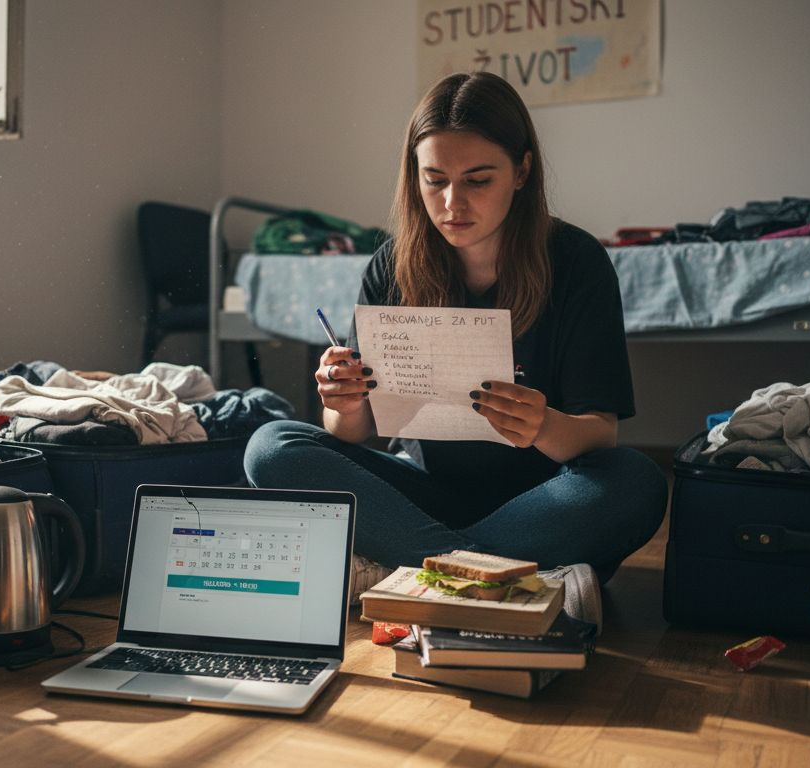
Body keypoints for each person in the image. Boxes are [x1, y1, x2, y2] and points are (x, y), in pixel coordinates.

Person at [243, 72, 667, 619]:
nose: (451, 203)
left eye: (477, 180)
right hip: (422, 496)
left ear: (522, 170)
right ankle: (495, 575)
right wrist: (341, 404)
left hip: (545, 501)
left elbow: (599, 433)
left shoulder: (576, 261)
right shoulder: (393, 265)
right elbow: (356, 432)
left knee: (637, 483)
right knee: (271, 445)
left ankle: (404, 571)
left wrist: (543, 426)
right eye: (434, 179)